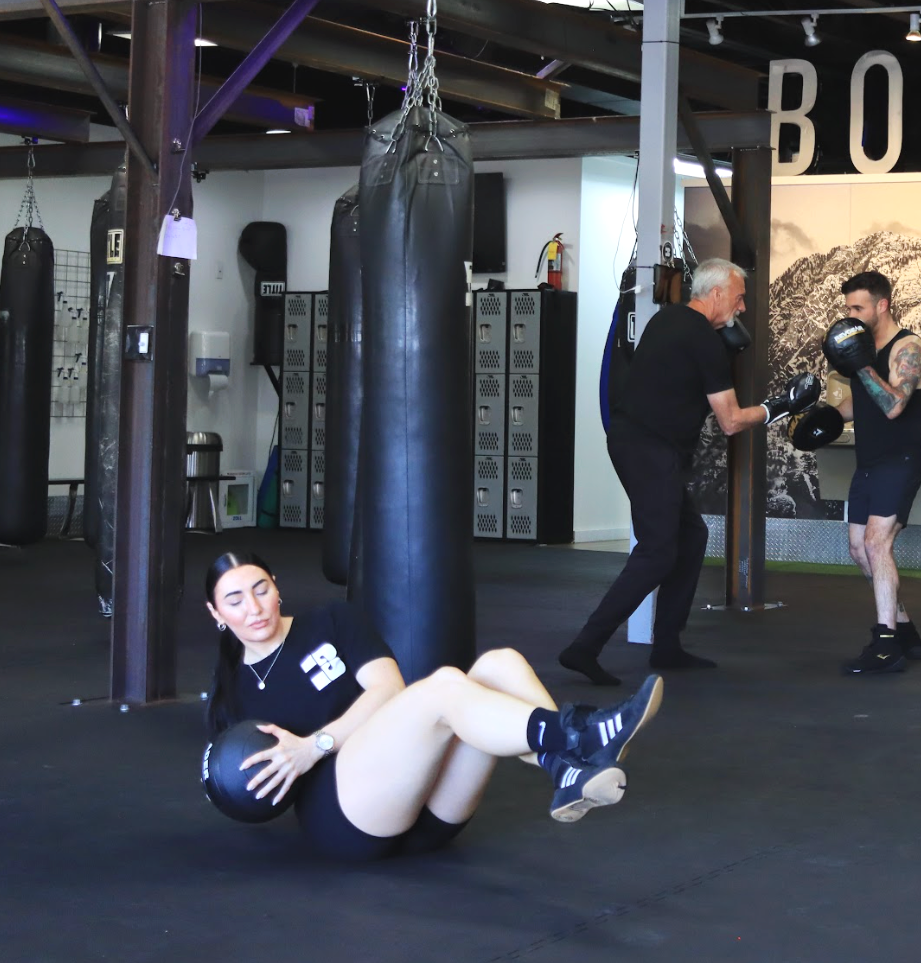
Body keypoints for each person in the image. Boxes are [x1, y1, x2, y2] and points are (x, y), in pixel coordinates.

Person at [201, 551, 663, 861]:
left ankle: (565, 768)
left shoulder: (331, 620)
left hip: (432, 812)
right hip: (349, 820)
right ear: (216, 614)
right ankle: (581, 734)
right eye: (235, 600)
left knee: (500, 663)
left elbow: (388, 690)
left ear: (276, 587)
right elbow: (247, 788)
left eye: (260, 589)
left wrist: (315, 743)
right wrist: (298, 760)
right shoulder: (234, 692)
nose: (254, 608)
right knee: (444, 687)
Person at [561, 258, 820, 686]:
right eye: (738, 298)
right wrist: (781, 405)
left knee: (691, 536)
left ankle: (666, 645)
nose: (741, 308)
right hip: (650, 451)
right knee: (657, 552)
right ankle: (584, 647)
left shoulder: (666, 321)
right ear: (716, 293)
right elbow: (731, 421)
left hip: (635, 443)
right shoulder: (704, 341)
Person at [825, 271, 921, 675]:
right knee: (858, 549)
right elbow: (861, 402)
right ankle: (904, 630)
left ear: (881, 305)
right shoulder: (866, 349)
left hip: (900, 459)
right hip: (869, 462)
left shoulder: (908, 347)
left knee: (876, 543)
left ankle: (886, 645)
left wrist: (863, 364)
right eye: (847, 308)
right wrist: (819, 418)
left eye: (858, 308)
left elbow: (893, 405)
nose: (850, 315)